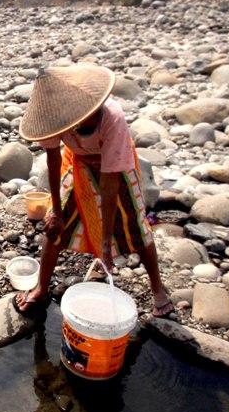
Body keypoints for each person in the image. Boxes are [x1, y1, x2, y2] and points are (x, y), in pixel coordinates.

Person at [13, 64, 172, 317]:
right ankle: (41, 289)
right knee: (57, 226)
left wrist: (106, 242)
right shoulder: (54, 119)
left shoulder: (111, 118)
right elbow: (53, 160)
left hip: (117, 166)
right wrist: (55, 209)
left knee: (134, 225)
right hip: (78, 162)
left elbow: (110, 184)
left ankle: (158, 291)